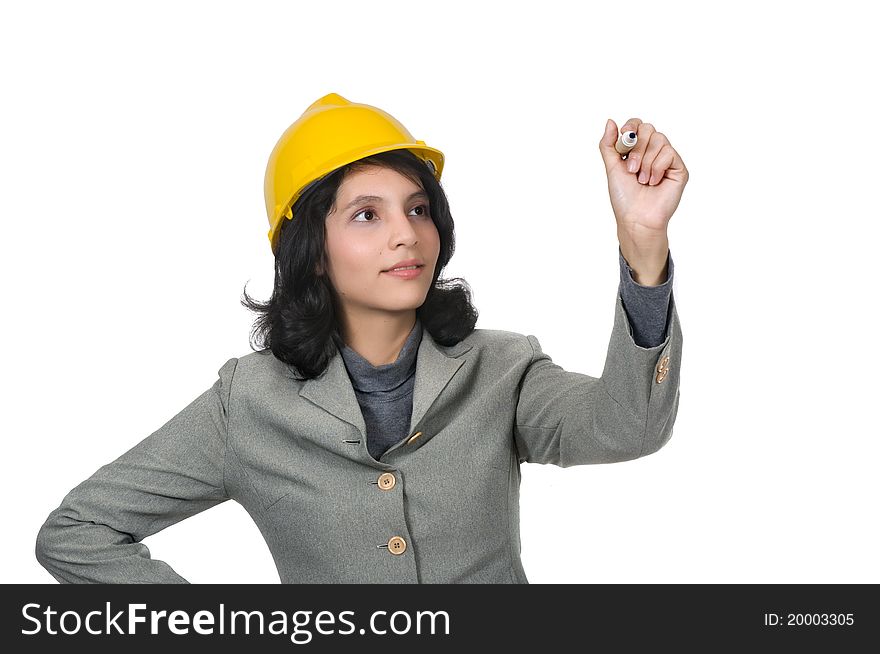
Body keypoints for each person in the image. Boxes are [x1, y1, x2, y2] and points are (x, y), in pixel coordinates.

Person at [35, 92, 687, 583]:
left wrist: (644, 248)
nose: (405, 233)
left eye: (418, 208)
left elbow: (629, 426)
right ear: (312, 250)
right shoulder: (248, 404)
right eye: (366, 215)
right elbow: (77, 532)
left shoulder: (502, 368)